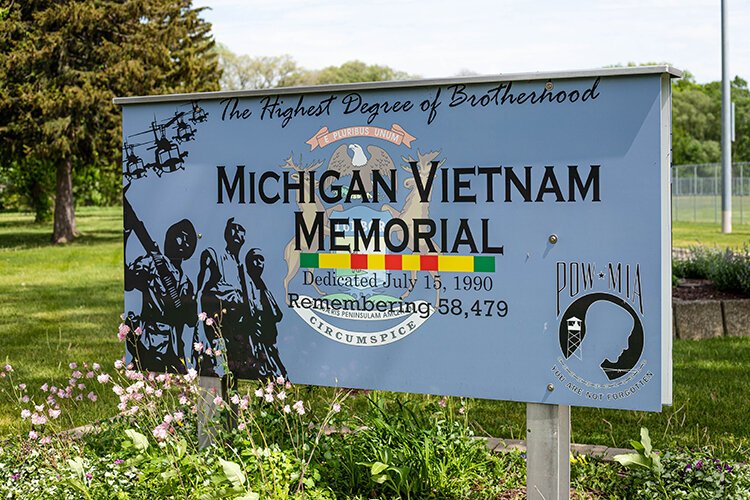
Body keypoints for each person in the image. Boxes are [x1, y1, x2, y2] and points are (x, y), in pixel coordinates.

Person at [125, 219, 197, 372]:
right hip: (149, 343)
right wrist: (126, 235)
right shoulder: (151, 264)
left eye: (189, 241)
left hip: (175, 348)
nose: (184, 243)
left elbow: (191, 320)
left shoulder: (186, 282)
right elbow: (129, 282)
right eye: (181, 236)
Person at [195, 218, 257, 376]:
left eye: (241, 229)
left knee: (233, 368)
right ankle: (211, 397)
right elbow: (200, 291)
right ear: (226, 232)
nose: (237, 233)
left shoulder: (241, 264)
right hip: (217, 321)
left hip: (237, 326)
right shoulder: (212, 254)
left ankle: (231, 396)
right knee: (215, 367)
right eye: (233, 228)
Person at [246, 248, 287, 379]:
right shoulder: (247, 282)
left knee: (273, 359)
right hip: (258, 334)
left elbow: (276, 312)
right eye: (256, 260)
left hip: (269, 332)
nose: (259, 264)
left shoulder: (262, 283)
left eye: (261, 260)